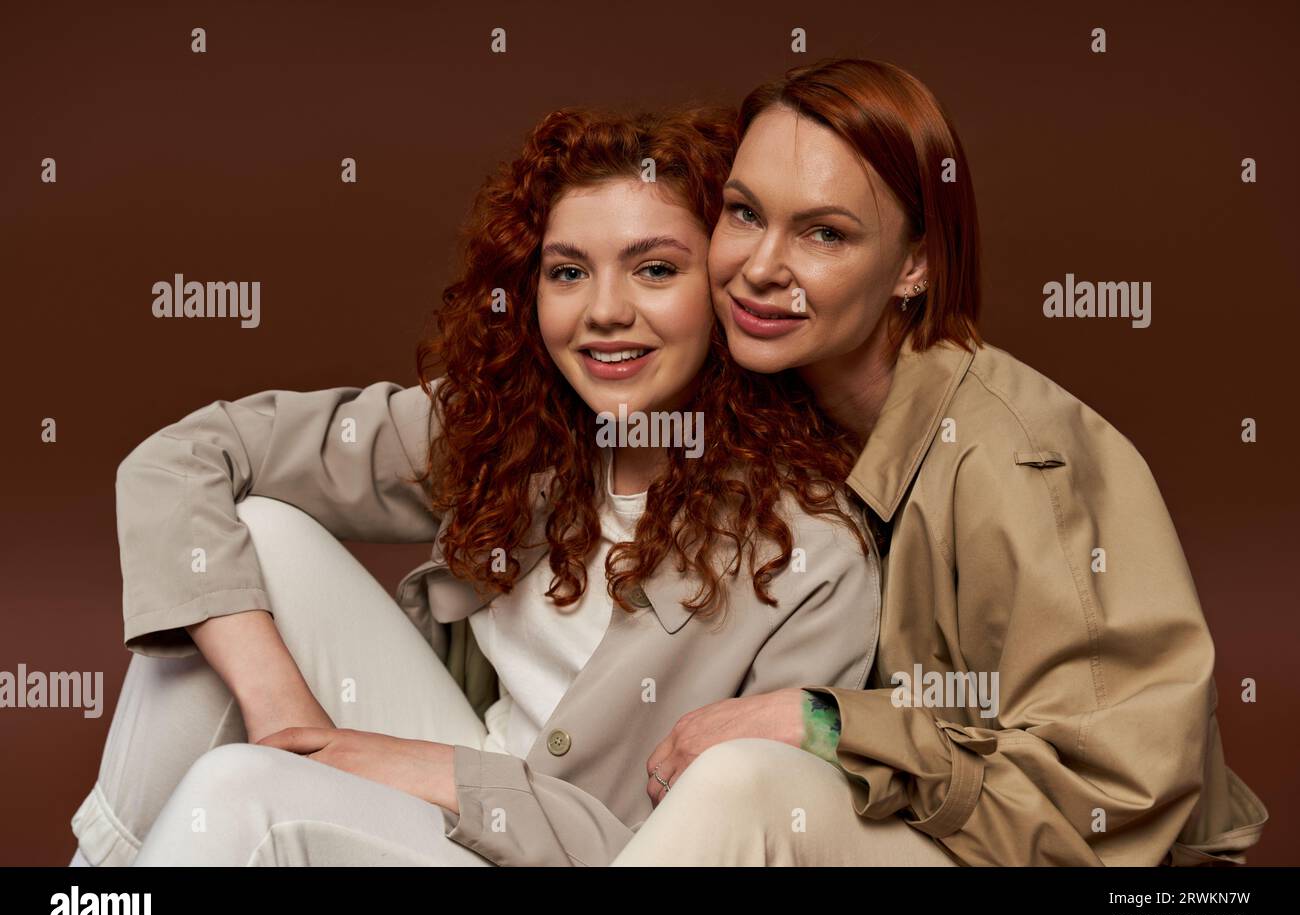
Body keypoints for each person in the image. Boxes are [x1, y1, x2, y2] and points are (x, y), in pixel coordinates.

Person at [70, 105, 887, 867]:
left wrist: (441, 772)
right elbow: (179, 459)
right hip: (441, 800)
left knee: (238, 788)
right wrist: (282, 711)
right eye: (568, 272)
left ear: (724, 286)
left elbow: (713, 840)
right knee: (258, 536)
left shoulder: (813, 553)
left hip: (567, 851)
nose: (604, 311)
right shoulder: (509, 432)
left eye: (654, 269)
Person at [611, 58, 1269, 867]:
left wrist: (826, 723)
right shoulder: (763, 396)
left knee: (748, 785)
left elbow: (1109, 804)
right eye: (745, 213)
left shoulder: (1021, 460)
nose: (759, 267)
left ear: (915, 267)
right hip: (923, 839)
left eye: (825, 233)